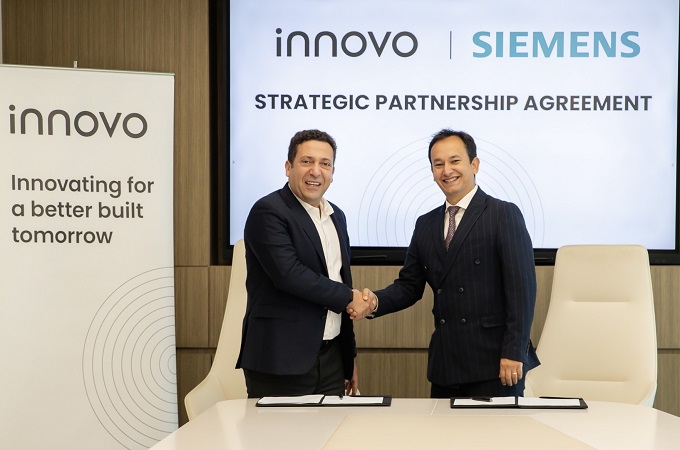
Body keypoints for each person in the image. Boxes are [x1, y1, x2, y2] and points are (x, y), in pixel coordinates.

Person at [351, 128, 539, 399]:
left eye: (455, 161)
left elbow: (522, 292)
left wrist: (513, 351)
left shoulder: (503, 214)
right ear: (432, 171)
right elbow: (409, 286)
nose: (447, 170)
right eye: (438, 164)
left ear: (474, 164)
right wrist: (374, 302)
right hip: (446, 364)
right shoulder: (425, 224)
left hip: (495, 363)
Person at [235, 129, 373, 398]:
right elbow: (289, 274)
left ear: (333, 172)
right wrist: (350, 297)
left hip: (332, 359)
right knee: (280, 429)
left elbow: (339, 279)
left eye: (325, 164)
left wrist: (349, 357)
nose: (316, 171)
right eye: (306, 161)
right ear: (288, 167)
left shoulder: (337, 216)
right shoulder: (269, 211)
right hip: (281, 359)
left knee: (332, 427)